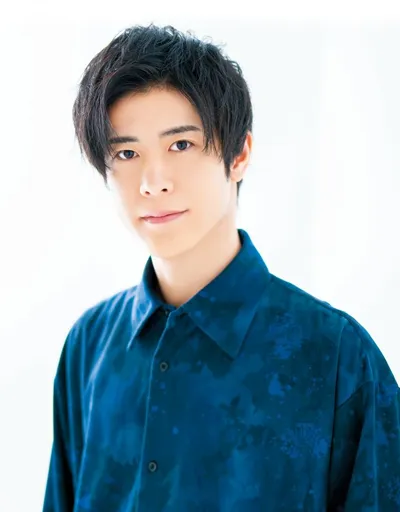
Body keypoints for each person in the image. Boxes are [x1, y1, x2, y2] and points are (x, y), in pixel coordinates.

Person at [42, 24, 400, 511]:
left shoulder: (336, 356)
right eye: (127, 153)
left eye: (180, 145)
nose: (152, 181)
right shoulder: (89, 346)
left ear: (239, 154)